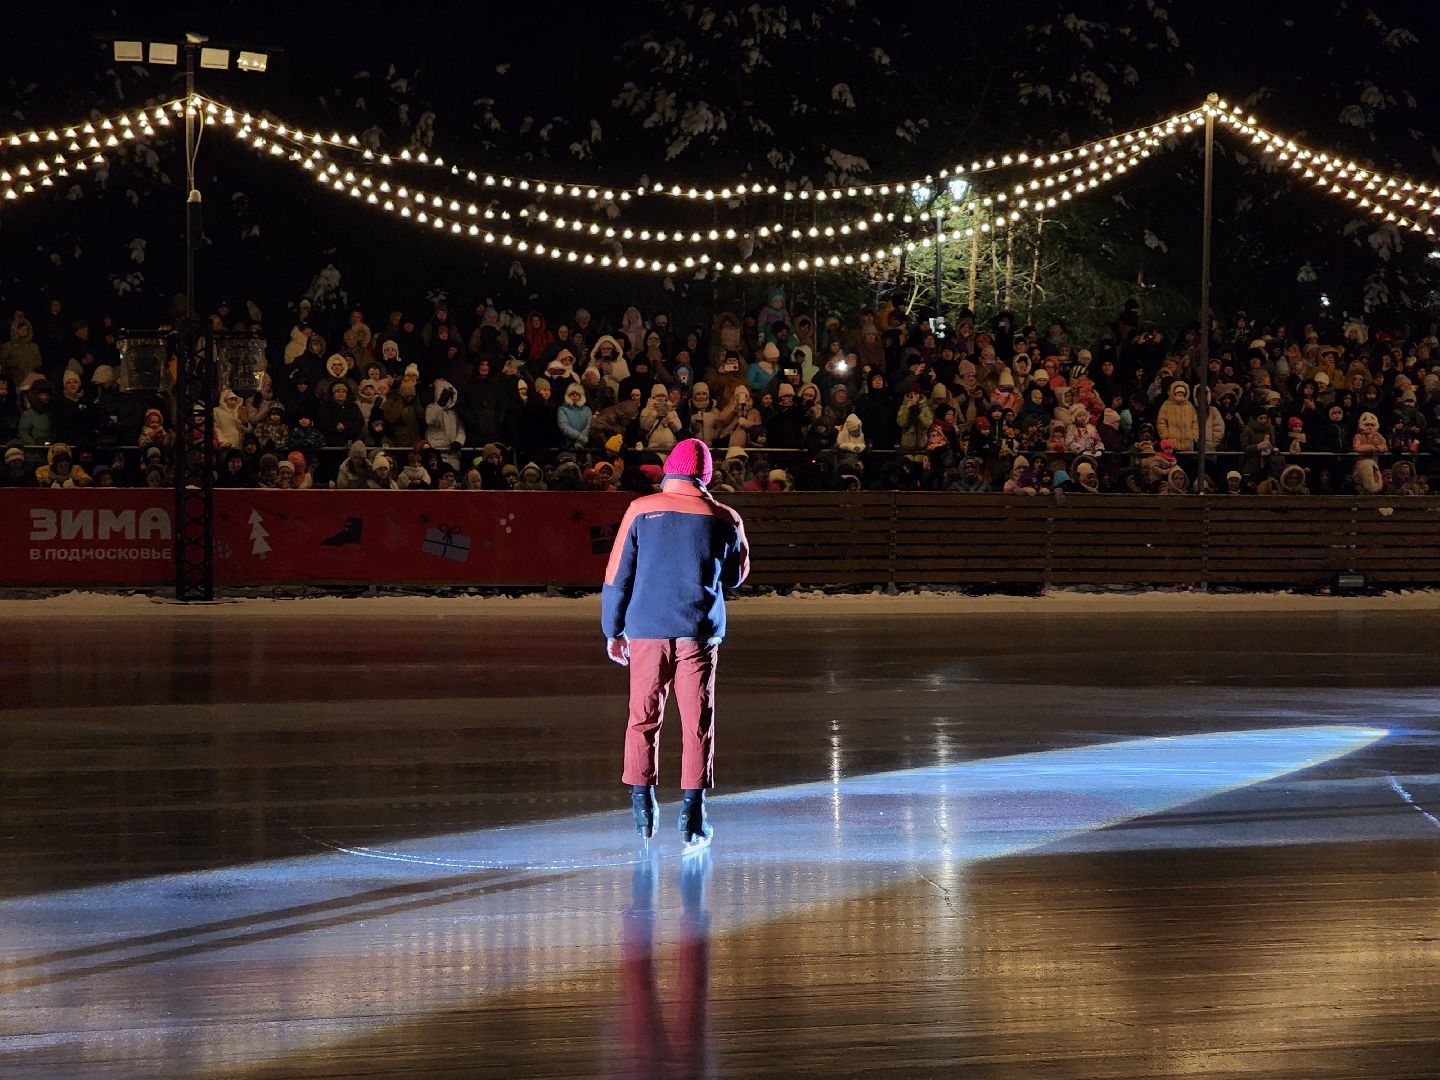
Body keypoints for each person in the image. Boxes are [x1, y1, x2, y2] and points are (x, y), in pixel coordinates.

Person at [601, 438, 750, 851]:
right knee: (697, 721)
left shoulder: (640, 510)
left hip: (646, 628)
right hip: (697, 630)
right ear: (705, 476)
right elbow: (736, 576)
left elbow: (616, 576)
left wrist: (612, 630)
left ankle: (642, 804)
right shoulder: (725, 517)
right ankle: (693, 813)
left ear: (670, 471)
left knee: (642, 717)